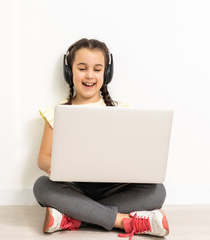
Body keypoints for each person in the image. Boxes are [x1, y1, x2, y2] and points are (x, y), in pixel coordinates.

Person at [33, 38, 169, 240]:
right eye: (82, 68)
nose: (89, 75)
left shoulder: (121, 111)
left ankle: (74, 217)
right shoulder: (56, 113)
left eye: (97, 69)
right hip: (75, 187)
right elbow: (43, 159)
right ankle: (123, 221)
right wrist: (55, 166)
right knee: (41, 186)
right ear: (69, 72)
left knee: (157, 191)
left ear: (106, 73)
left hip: (113, 188)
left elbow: (131, 154)